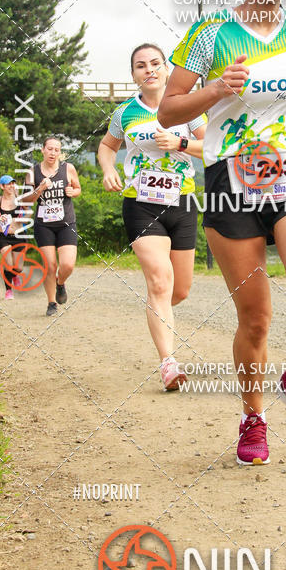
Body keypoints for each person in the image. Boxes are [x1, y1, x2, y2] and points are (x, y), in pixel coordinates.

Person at [158, 0, 286, 465]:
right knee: (256, 318)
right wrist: (215, 88)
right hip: (230, 182)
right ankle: (252, 418)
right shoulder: (210, 33)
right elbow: (168, 109)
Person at [98, 44, 206, 391]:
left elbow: (214, 147)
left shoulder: (188, 107)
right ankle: (168, 363)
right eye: (141, 66)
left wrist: (179, 143)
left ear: (166, 69)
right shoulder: (125, 113)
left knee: (179, 290)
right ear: (134, 75)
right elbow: (107, 146)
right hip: (141, 203)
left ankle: (157, 311)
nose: (150, 70)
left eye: (156, 63)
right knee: (160, 281)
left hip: (182, 202)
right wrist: (108, 169)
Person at [22, 138, 81, 316]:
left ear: (60, 152)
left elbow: (78, 188)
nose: (53, 153)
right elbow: (26, 200)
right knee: (49, 266)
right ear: (43, 150)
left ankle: (60, 283)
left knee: (67, 265)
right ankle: (51, 303)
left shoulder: (68, 168)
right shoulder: (32, 172)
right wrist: (40, 188)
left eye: (56, 150)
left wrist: (73, 192)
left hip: (66, 223)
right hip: (44, 225)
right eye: (50, 149)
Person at [0, 175, 27, 300]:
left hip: (19, 235)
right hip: (3, 236)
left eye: (13, 183)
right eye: (8, 184)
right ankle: (8, 291)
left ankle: (15, 275)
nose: (11, 186)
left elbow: (29, 212)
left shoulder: (20, 200)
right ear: (2, 186)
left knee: (18, 267)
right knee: (8, 264)